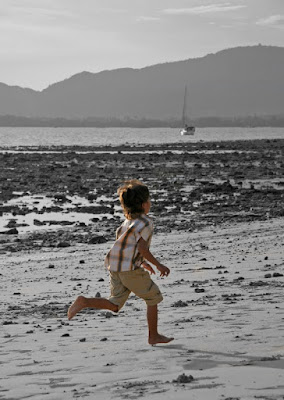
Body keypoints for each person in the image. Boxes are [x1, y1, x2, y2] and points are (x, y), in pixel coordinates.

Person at [67, 179, 173, 345]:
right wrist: (158, 265)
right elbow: (142, 248)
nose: (150, 203)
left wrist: (142, 263)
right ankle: (153, 335)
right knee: (153, 297)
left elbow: (126, 248)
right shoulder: (146, 223)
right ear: (144, 204)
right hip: (129, 270)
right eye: (149, 200)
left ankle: (84, 301)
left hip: (115, 267)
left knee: (115, 305)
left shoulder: (126, 223)